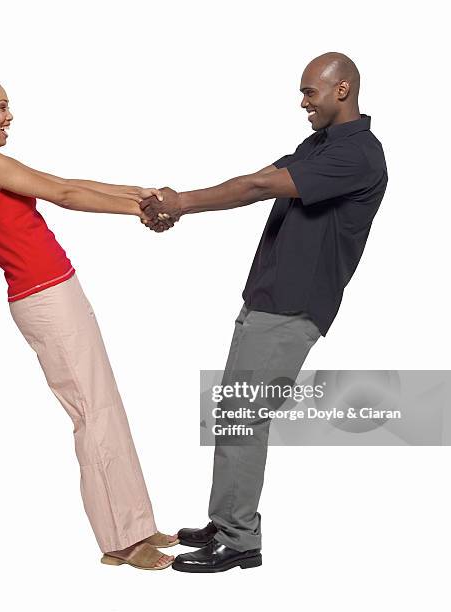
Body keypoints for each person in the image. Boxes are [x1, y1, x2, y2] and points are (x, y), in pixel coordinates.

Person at [0, 71, 177, 570]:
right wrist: (137, 209)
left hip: (58, 290)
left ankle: (136, 522)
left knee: (104, 405)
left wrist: (140, 193)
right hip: (45, 299)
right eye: (0, 106)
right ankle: (120, 540)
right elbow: (64, 194)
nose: (9, 116)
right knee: (91, 413)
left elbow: (69, 184)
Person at [139, 52, 388, 573]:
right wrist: (180, 201)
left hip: (294, 306)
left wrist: (181, 202)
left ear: (341, 90)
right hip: (266, 298)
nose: (302, 103)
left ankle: (240, 539)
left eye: (309, 93)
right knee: (232, 414)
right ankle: (226, 521)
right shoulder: (317, 144)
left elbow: (259, 188)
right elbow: (256, 177)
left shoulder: (360, 154)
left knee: (244, 417)